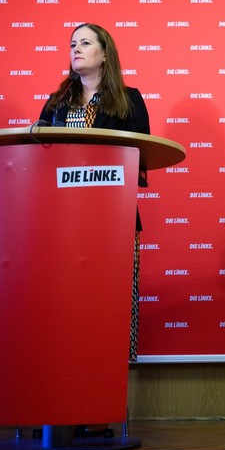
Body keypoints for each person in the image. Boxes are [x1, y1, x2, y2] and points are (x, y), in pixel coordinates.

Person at [38, 23, 150, 363]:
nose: (76, 49)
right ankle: (66, 394)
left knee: (109, 307)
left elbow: (141, 158)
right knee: (66, 307)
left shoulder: (129, 100)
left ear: (105, 54)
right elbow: (39, 157)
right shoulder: (56, 103)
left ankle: (104, 405)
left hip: (111, 220)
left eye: (85, 43)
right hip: (62, 221)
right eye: (73, 44)